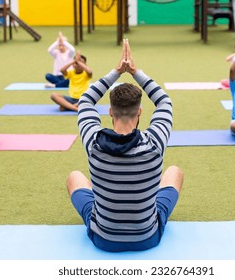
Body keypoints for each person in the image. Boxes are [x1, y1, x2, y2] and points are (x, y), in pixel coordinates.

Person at [66, 39, 184, 252]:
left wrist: (117, 71)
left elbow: (85, 100)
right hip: (147, 237)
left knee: (75, 176)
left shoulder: (94, 144)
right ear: (139, 111)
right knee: (175, 171)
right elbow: (164, 101)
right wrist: (135, 71)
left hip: (103, 239)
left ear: (110, 112)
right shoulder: (155, 143)